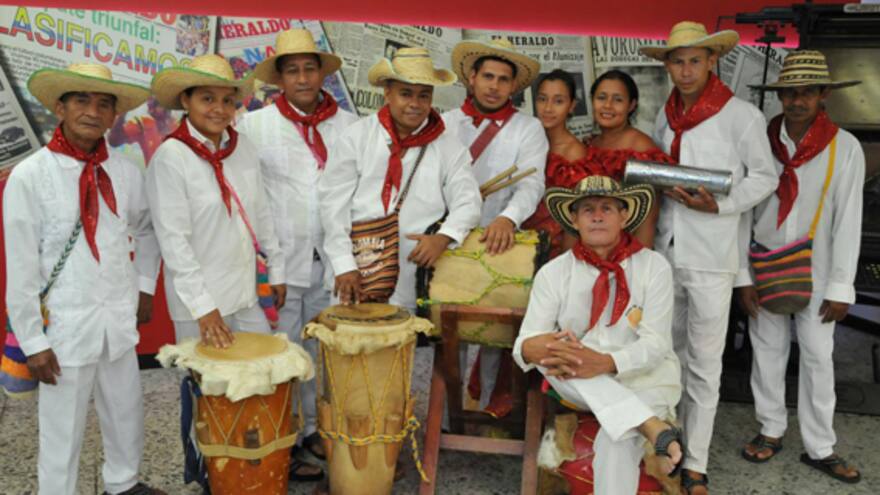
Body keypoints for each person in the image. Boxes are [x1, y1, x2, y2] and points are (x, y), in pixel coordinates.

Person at [4, 63, 163, 495]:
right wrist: (33, 342)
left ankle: (123, 482)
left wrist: (145, 286)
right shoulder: (30, 175)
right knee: (62, 426)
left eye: (104, 103)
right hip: (65, 326)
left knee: (125, 409)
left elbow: (148, 229)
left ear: (114, 116)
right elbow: (20, 268)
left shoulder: (126, 173)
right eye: (81, 101)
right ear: (60, 107)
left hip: (115, 317)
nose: (93, 111)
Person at [640, 21, 778, 494]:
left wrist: (718, 203)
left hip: (713, 256)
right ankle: (667, 449)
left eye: (694, 60)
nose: (685, 70)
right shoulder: (666, 115)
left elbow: (765, 178)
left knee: (703, 362)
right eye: (677, 61)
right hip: (668, 248)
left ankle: (695, 462)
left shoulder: (741, 116)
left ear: (712, 61)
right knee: (665, 354)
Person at [735, 50, 864, 484]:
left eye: (807, 92)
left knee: (817, 356)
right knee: (767, 351)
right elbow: (742, 212)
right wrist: (743, 277)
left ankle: (820, 446)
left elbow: (849, 219)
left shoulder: (843, 147)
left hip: (821, 270)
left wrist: (842, 287)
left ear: (823, 94)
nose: (797, 100)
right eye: (790, 92)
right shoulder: (759, 140)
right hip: (765, 263)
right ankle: (770, 428)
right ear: (779, 95)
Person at [238, 28, 358, 481]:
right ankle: (283, 437)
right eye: (293, 71)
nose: (303, 78)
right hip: (284, 262)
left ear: (322, 75)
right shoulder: (255, 126)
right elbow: (251, 200)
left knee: (327, 352)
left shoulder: (349, 126)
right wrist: (267, 265)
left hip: (335, 262)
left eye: (310, 69)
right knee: (284, 351)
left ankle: (314, 431)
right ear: (280, 78)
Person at [513, 176, 683, 495]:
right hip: (578, 379)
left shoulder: (654, 266)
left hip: (646, 377)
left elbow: (657, 345)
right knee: (558, 357)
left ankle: (638, 420)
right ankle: (650, 425)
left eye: (607, 207)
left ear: (625, 216)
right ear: (575, 221)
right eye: (587, 209)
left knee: (616, 437)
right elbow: (525, 344)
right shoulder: (554, 273)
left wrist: (606, 361)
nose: (597, 215)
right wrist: (533, 347)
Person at [319, 47, 482, 312]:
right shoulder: (356, 137)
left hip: (414, 271)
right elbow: (332, 206)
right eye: (405, 94)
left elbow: (468, 201)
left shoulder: (449, 147)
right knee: (350, 345)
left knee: (408, 347)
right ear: (387, 93)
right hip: (357, 267)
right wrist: (343, 264)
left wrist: (443, 237)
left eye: (424, 96)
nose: (415, 104)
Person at [146, 54, 285, 348]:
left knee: (261, 374)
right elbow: (174, 243)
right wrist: (203, 308)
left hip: (246, 293)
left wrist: (277, 270)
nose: (219, 110)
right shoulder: (172, 157)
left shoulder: (243, 146)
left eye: (227, 100)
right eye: (207, 99)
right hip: (198, 304)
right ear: (186, 100)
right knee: (208, 387)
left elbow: (261, 213)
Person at [444, 38, 548, 416]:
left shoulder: (528, 129)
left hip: (499, 239)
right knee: (447, 333)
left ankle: (487, 410)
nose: (494, 85)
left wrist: (509, 217)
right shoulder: (445, 123)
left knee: (493, 335)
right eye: (487, 76)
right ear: (471, 77)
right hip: (451, 239)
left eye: (503, 79)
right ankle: (449, 414)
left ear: (513, 87)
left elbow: (531, 182)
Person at [524, 69, 672, 255]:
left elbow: (647, 215)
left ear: (632, 104)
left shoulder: (640, 147)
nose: (608, 106)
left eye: (617, 99)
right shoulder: (590, 143)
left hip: (623, 251)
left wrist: (639, 261)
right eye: (601, 98)